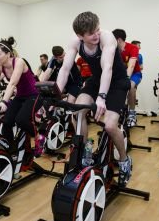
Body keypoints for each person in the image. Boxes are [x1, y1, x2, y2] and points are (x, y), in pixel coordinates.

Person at [56, 11, 132, 186]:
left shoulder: (107, 38)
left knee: (110, 125)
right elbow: (65, 69)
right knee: (78, 111)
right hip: (96, 81)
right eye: (91, 33)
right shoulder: (75, 43)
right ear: (80, 36)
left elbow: (107, 68)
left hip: (117, 83)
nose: (96, 34)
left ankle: (124, 159)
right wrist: (56, 94)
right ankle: (85, 153)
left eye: (97, 29)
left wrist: (101, 98)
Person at [0, 37, 42, 156]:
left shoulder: (19, 62)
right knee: (6, 123)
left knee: (21, 120)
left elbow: (12, 83)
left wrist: (4, 102)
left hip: (34, 95)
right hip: (20, 96)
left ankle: (38, 136)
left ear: (8, 54)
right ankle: (13, 150)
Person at [112, 29, 142, 127]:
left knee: (131, 86)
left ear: (119, 40)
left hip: (135, 74)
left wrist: (126, 79)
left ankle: (132, 113)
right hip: (120, 74)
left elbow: (131, 66)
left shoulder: (133, 48)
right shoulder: (113, 49)